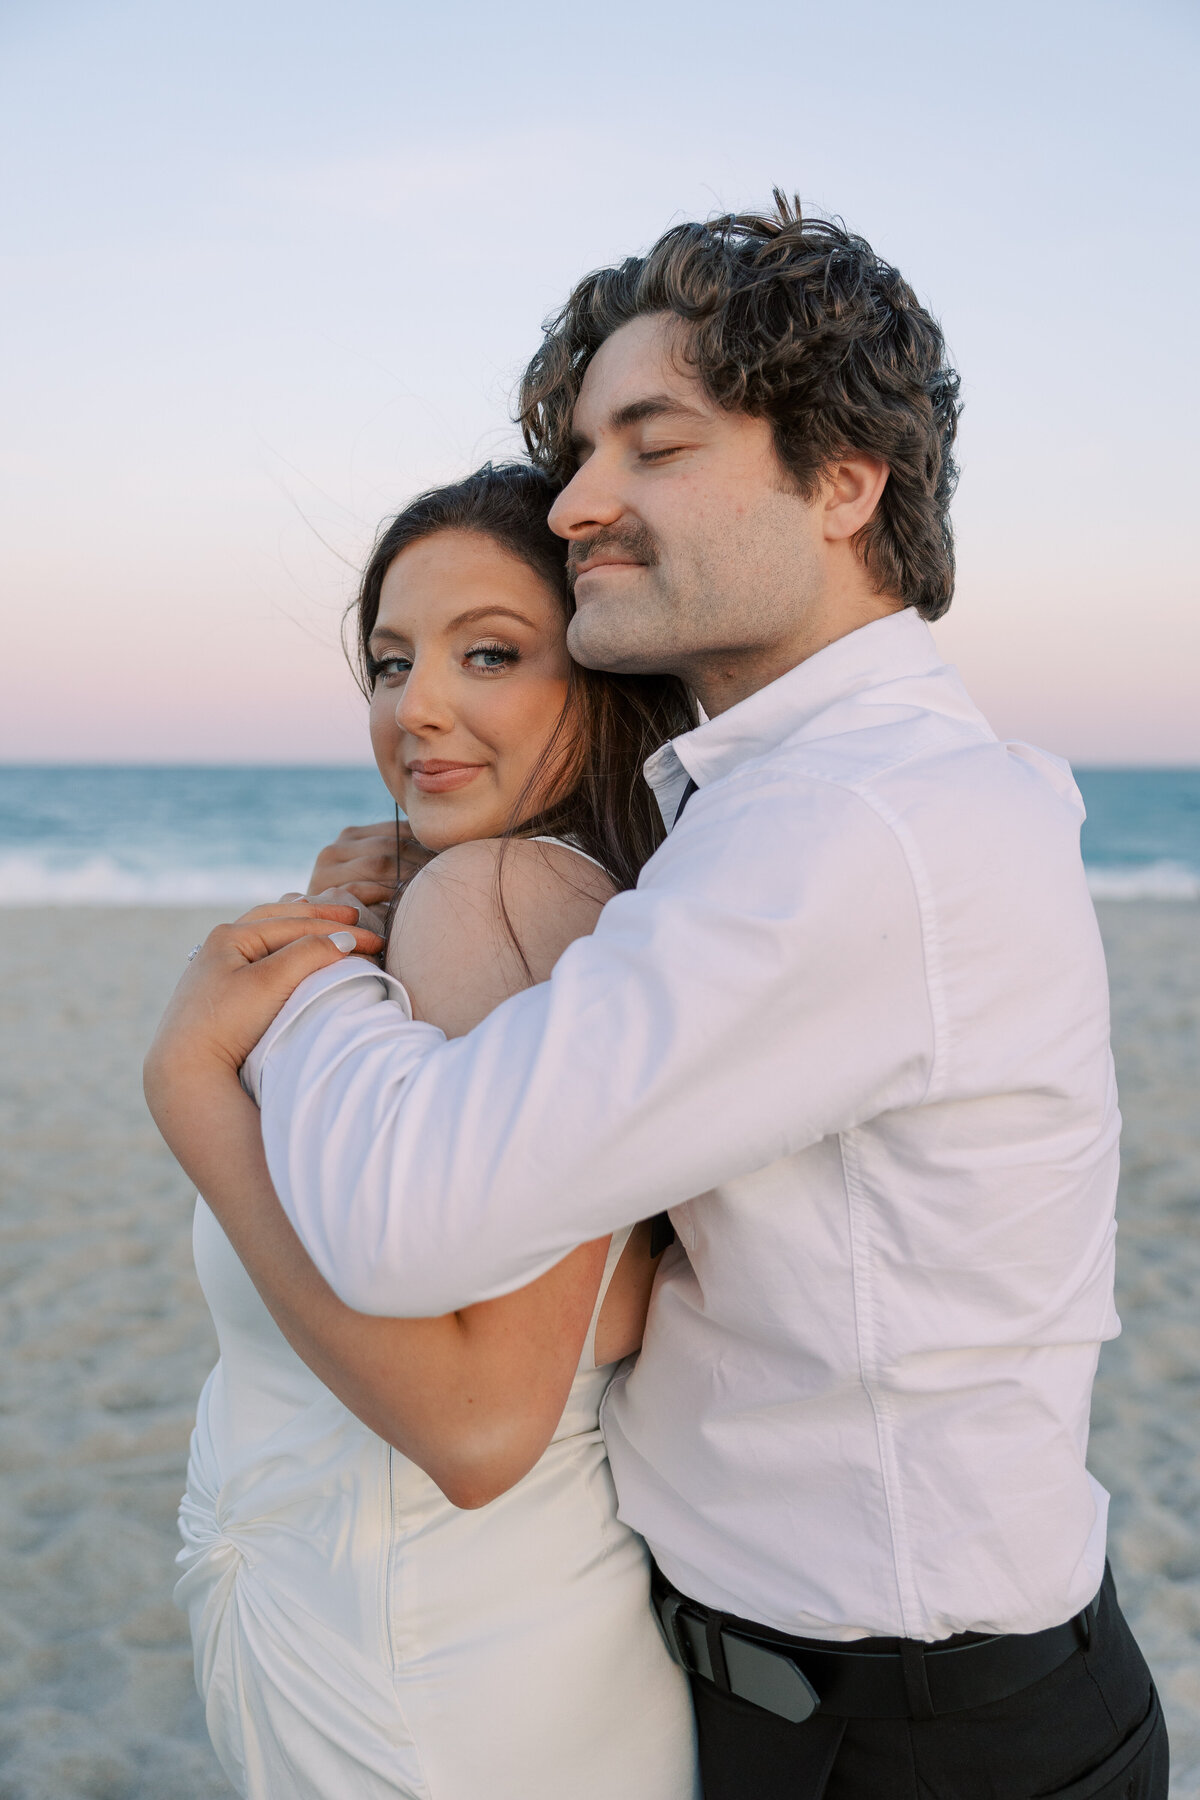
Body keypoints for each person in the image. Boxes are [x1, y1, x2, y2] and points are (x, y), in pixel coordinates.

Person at [147, 197, 1169, 1799]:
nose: (576, 502)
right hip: (754, 1686)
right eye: (576, 453)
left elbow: (414, 1222)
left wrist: (273, 1006)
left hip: (909, 1734)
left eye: (653, 445)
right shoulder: (755, 813)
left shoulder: (851, 828)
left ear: (845, 483)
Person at [150, 463, 700, 1800]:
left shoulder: (504, 901)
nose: (420, 709)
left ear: (602, 680)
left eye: (491, 653)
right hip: (434, 1664)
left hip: (450, 1702)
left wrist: (191, 1090)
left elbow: (475, 1424)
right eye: (391, 663)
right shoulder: (511, 903)